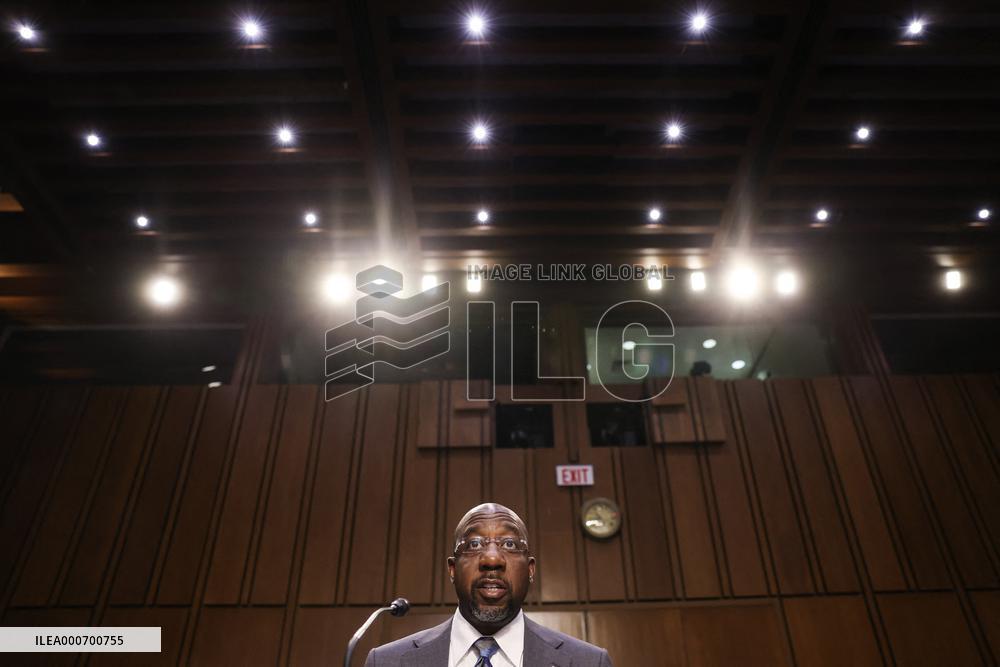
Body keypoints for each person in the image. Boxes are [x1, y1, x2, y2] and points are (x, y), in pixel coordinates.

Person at [364, 502, 613, 666]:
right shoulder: (387, 662)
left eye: (509, 545)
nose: (492, 559)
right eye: (473, 545)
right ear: (452, 569)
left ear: (530, 570)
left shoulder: (589, 662)